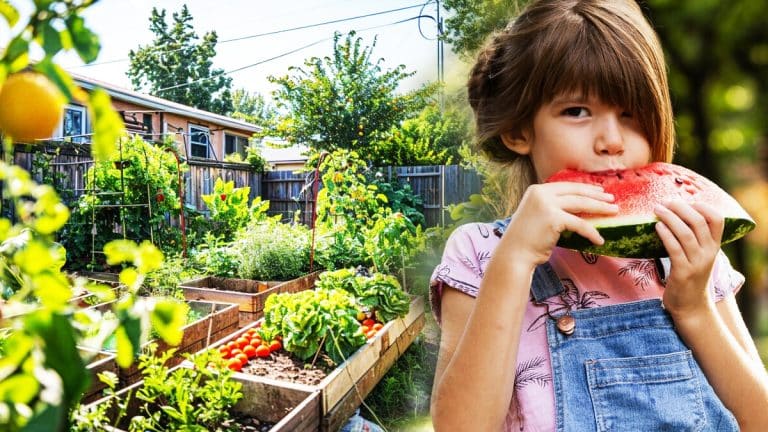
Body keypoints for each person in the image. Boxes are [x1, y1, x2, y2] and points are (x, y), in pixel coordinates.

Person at [429, 0, 768, 431]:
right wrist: (513, 262)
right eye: (576, 111)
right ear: (519, 130)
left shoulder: (689, 254)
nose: (611, 140)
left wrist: (695, 308)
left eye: (631, 113)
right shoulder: (479, 253)